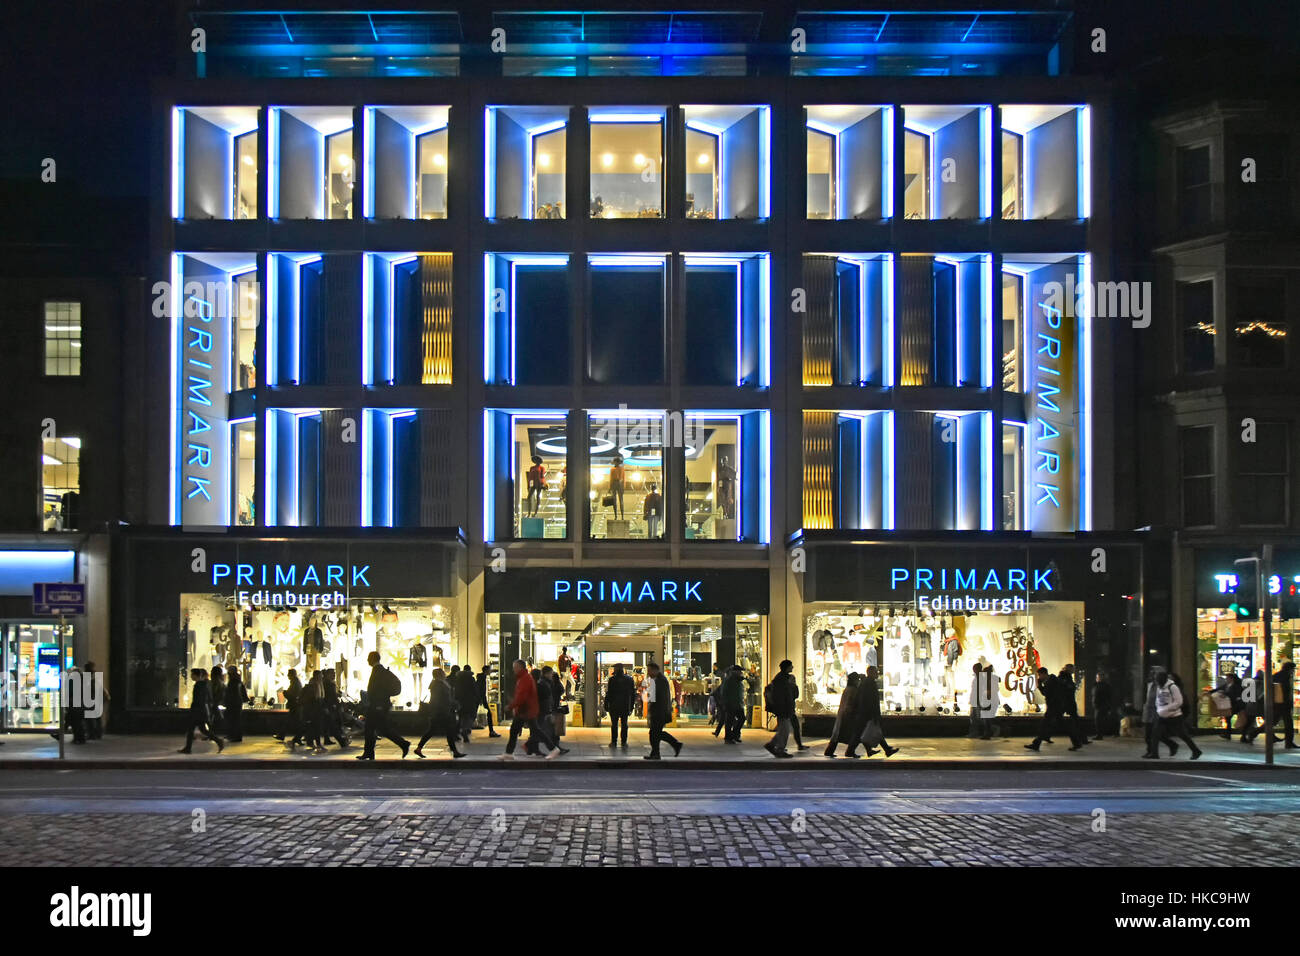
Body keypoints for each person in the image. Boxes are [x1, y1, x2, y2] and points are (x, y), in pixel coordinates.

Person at [499, 659, 561, 760]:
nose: (513, 669)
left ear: (520, 668)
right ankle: (509, 752)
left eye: (515, 667)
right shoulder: (524, 678)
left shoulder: (525, 679)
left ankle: (553, 749)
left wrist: (511, 706)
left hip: (526, 710)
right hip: (525, 710)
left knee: (535, 730)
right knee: (516, 730)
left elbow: (521, 696)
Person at [358, 651, 410, 760]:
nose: (367, 660)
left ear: (372, 659)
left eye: (369, 658)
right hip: (378, 705)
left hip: (378, 705)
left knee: (374, 728)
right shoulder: (379, 670)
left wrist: (379, 703)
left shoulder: (379, 671)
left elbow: (378, 690)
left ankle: (403, 744)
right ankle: (369, 752)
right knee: (374, 728)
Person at [847, 666, 899, 758]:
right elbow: (871, 700)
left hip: (864, 713)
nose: (878, 673)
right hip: (867, 713)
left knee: (868, 732)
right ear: (871, 673)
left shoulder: (866, 683)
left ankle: (885, 749)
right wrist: (874, 714)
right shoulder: (869, 683)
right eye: (876, 672)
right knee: (866, 732)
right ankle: (886, 750)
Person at [415, 668, 465, 758]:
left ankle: (419, 748)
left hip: (439, 711)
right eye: (442, 672)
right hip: (442, 712)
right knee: (449, 731)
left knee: (432, 731)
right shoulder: (439, 685)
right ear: (439, 674)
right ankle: (455, 752)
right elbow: (442, 699)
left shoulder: (439, 684)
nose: (444, 673)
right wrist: (453, 704)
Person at [1154, 669, 1203, 759]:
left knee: (1182, 735)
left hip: (1174, 715)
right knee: (1156, 734)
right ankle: (1169, 747)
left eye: (1158, 679)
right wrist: (1159, 709)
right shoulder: (1159, 687)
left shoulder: (1172, 687)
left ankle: (1196, 751)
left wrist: (1167, 709)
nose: (1156, 682)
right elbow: (1158, 699)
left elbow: (1179, 701)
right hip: (1162, 714)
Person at [178, 668, 224, 754]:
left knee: (191, 729)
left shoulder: (199, 685)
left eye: (192, 674)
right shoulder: (204, 684)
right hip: (201, 711)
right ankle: (218, 741)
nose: (191, 676)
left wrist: (194, 710)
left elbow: (199, 700)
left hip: (197, 711)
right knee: (203, 730)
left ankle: (188, 748)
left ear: (196, 675)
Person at [644, 661, 682, 759]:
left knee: (655, 733)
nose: (648, 673)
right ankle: (656, 753)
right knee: (655, 733)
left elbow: (656, 698)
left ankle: (674, 744)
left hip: (659, 712)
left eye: (649, 671)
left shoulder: (660, 681)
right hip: (659, 711)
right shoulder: (658, 680)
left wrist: (651, 707)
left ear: (655, 670)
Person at [763, 659, 798, 758]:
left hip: (783, 709)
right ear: (787, 667)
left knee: (783, 730)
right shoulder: (783, 680)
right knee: (784, 731)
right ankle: (779, 749)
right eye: (791, 666)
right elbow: (785, 696)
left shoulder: (781, 678)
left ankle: (772, 745)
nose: (793, 667)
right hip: (783, 709)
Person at [1141, 666, 1178, 758]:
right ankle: (1170, 745)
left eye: (1154, 673)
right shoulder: (1150, 684)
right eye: (1152, 673)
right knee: (1148, 735)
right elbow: (1148, 698)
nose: (1152, 675)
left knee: (1156, 734)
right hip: (1149, 711)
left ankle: (1154, 753)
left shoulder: (1164, 686)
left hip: (1159, 712)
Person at [1025, 667, 1065, 752]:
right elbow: (1045, 693)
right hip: (1054, 706)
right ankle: (1077, 741)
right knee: (1061, 724)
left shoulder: (1052, 682)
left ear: (1044, 674)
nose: (1039, 677)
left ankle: (1036, 743)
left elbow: (1046, 693)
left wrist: (1040, 685)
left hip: (1054, 706)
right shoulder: (1050, 681)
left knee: (1044, 725)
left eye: (1040, 675)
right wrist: (1040, 685)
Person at [824, 671, 861, 757]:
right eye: (858, 679)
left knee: (838, 734)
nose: (858, 681)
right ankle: (849, 751)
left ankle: (830, 751)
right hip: (848, 715)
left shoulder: (848, 689)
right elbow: (851, 703)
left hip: (843, 714)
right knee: (853, 734)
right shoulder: (853, 690)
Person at [1057, 663, 1089, 750]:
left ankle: (1080, 740)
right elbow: (1066, 689)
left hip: (1067, 703)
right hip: (1067, 703)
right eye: (1072, 669)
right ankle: (1081, 739)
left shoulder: (1065, 677)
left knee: (1073, 721)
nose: (1074, 671)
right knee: (1074, 721)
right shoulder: (1064, 678)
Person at [604, 662, 635, 748]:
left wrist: (606, 704)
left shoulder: (612, 679)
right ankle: (624, 742)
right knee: (624, 724)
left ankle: (614, 742)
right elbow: (632, 694)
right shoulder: (629, 679)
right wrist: (631, 706)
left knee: (614, 724)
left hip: (614, 705)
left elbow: (609, 693)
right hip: (625, 705)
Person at [321, 669, 349, 748]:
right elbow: (329, 696)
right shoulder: (328, 683)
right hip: (331, 707)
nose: (334, 675)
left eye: (334, 673)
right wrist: (337, 704)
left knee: (328, 724)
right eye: (332, 674)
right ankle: (341, 741)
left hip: (330, 706)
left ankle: (327, 739)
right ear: (327, 674)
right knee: (333, 725)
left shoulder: (327, 683)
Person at [1214, 671, 1244, 741]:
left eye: (1227, 678)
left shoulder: (1237, 686)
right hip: (1229, 705)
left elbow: (1235, 695)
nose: (1226, 679)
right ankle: (1228, 734)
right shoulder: (1226, 685)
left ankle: (1229, 734)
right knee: (1228, 719)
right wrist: (1209, 692)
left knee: (1230, 718)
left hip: (1236, 705)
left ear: (1231, 679)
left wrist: (1225, 694)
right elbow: (1218, 689)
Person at [274, 669, 302, 742]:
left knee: (292, 721)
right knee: (291, 721)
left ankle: (294, 737)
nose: (287, 676)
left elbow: (292, 694)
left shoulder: (295, 682)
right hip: (295, 705)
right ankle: (284, 735)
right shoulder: (295, 682)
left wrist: (285, 693)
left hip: (294, 705)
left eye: (289, 674)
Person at [722, 664, 747, 743]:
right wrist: (726, 702)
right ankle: (729, 737)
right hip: (731, 704)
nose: (741, 673)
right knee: (730, 721)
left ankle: (734, 735)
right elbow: (725, 692)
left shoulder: (738, 680)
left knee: (741, 719)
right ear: (734, 672)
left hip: (738, 703)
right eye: (739, 671)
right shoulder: (730, 680)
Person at [224, 666, 249, 743]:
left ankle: (234, 736)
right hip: (237, 703)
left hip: (233, 703)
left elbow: (231, 693)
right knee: (236, 720)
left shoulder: (233, 680)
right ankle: (235, 735)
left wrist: (226, 701)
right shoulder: (237, 680)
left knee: (233, 720)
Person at [455, 664, 479, 743]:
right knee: (472, 715)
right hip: (470, 700)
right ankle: (465, 730)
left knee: (462, 716)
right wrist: (477, 698)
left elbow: (456, 690)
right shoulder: (471, 679)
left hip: (460, 701)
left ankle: (459, 730)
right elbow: (475, 690)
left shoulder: (458, 679)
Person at [478, 664, 501, 738]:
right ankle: (491, 731)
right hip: (481, 698)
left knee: (472, 715)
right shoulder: (482, 678)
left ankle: (464, 730)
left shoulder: (482, 677)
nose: (490, 671)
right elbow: (480, 689)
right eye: (489, 670)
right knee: (489, 714)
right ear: (486, 670)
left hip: (481, 698)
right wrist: (481, 699)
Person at [1092, 672, 1116, 740]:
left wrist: (1108, 706)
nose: (1096, 678)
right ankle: (1099, 734)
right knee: (1099, 720)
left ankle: (1100, 735)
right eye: (1096, 677)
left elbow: (1107, 696)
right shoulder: (1097, 685)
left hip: (1102, 705)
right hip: (1099, 705)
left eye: (1097, 677)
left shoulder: (1104, 686)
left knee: (1099, 720)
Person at [967, 663, 987, 739]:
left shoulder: (980, 678)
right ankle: (975, 732)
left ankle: (979, 732)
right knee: (974, 717)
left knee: (977, 718)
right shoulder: (978, 678)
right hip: (975, 700)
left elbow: (978, 690)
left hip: (977, 701)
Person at [209, 665, 227, 734]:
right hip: (216, 703)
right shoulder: (221, 683)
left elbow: (218, 693)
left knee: (213, 719)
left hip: (214, 703)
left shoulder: (215, 682)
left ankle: (212, 734)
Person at [608, 455, 626, 520]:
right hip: (614, 484)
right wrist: (610, 487)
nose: (616, 463)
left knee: (621, 500)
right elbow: (611, 479)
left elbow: (624, 478)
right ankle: (616, 516)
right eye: (615, 462)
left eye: (617, 462)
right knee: (614, 501)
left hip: (620, 484)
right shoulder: (612, 469)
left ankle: (622, 516)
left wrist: (624, 486)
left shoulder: (622, 469)